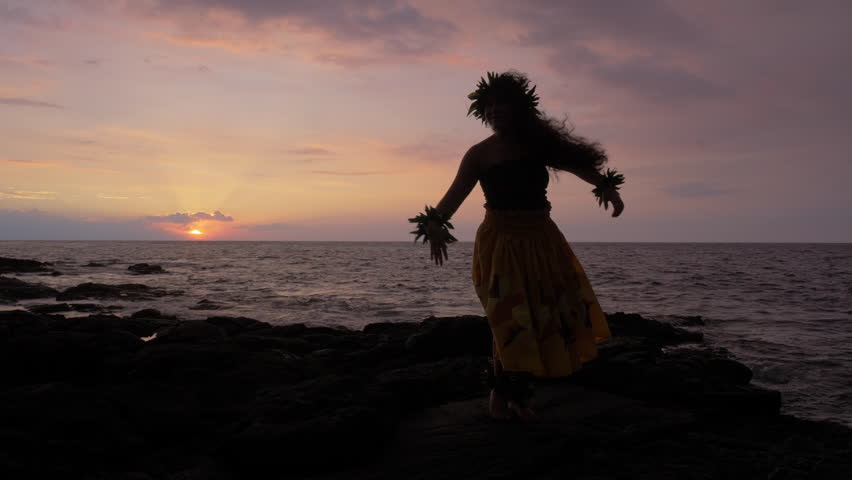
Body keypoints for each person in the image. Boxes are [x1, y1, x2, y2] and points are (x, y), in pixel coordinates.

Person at [416, 70, 624, 422]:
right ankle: (501, 395)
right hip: (501, 244)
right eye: (490, 105)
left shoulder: (537, 144)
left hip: (542, 240)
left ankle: (517, 396)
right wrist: (434, 224)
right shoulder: (479, 154)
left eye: (503, 104)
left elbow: (579, 166)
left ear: (520, 108)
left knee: (541, 317)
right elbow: (452, 197)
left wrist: (607, 187)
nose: (496, 110)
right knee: (508, 318)